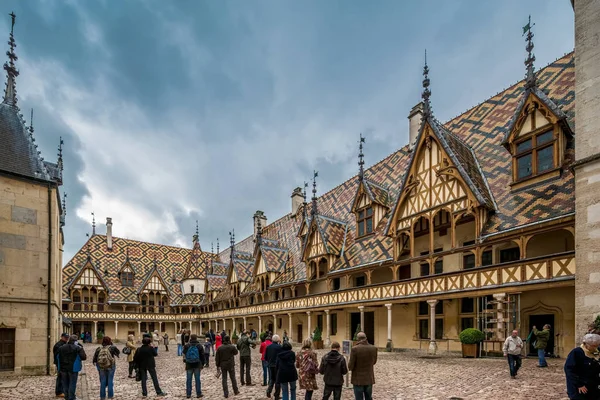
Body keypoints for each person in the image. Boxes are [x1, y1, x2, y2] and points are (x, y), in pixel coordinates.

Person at [564, 333, 600, 399]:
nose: (595, 348)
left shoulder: (597, 352)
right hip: (579, 386)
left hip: (593, 385)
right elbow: (569, 370)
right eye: (593, 346)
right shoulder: (576, 352)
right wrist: (579, 384)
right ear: (585, 344)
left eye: (597, 346)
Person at [348, 332, 377, 400]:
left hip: (358, 379)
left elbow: (351, 365)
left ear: (358, 339)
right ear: (365, 338)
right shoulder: (373, 348)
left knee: (359, 398)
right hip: (369, 378)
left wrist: (350, 367)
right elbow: (374, 362)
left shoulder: (355, 349)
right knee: (368, 397)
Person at [57, 334, 87, 400]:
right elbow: (84, 357)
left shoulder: (61, 347)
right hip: (73, 368)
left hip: (63, 368)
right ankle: (71, 397)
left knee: (65, 384)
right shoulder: (78, 348)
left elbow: (58, 357)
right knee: (72, 383)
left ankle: (67, 397)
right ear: (76, 341)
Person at [183, 334, 205, 398]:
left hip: (189, 365)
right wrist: (202, 364)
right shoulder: (199, 346)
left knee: (189, 380)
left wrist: (185, 362)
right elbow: (202, 356)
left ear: (190, 338)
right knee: (197, 379)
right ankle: (198, 393)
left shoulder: (187, 345)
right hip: (197, 365)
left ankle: (188, 394)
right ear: (196, 338)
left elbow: (184, 354)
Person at [266, 334, 283, 400]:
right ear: (278, 340)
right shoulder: (279, 347)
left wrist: (270, 362)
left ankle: (268, 391)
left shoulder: (268, 347)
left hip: (271, 365)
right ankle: (276, 395)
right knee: (278, 380)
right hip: (277, 366)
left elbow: (266, 357)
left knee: (272, 379)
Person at [53, 332, 69, 398]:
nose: (66, 339)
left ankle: (62, 390)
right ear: (62, 337)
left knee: (62, 378)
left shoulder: (64, 344)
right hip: (60, 363)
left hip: (63, 363)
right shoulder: (58, 345)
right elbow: (58, 356)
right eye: (65, 338)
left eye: (67, 338)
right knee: (60, 377)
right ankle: (59, 392)